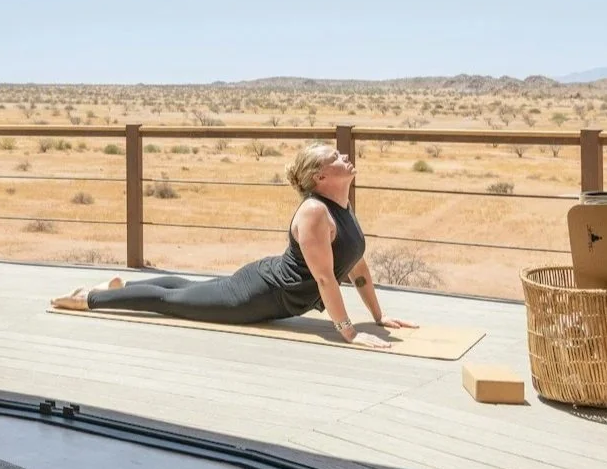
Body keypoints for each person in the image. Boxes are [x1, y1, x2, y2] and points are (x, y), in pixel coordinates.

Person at [53, 144, 416, 342]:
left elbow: (356, 265)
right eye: (335, 157)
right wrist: (349, 333)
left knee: (188, 290)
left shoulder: (342, 206)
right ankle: (88, 299)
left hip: (264, 281)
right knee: (171, 302)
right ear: (320, 176)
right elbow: (324, 278)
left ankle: (122, 286)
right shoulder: (314, 212)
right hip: (254, 297)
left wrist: (379, 317)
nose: (345, 157)